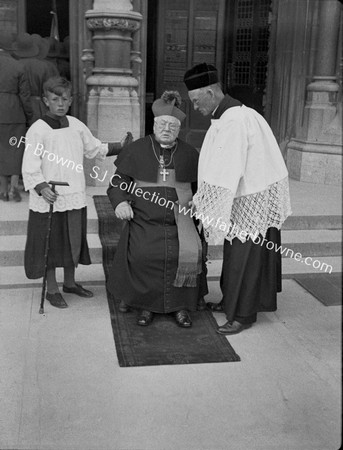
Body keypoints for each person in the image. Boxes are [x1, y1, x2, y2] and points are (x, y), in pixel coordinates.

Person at [184, 63, 292, 335]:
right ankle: (232, 301)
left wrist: (203, 201)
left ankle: (242, 315)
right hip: (246, 195)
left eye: (196, 101)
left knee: (244, 259)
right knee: (236, 257)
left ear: (210, 92)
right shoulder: (232, 115)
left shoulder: (234, 120)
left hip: (249, 200)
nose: (195, 108)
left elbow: (226, 170)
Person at [22, 76, 132, 309]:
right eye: (54, 99)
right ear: (45, 101)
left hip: (74, 193)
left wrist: (120, 146)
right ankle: (52, 289)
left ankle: (70, 283)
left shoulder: (76, 125)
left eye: (64, 99)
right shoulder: (38, 130)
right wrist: (41, 187)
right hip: (49, 195)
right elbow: (29, 165)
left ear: (71, 100)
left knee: (73, 241)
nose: (60, 104)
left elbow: (95, 149)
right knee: (50, 244)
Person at [107, 91, 208, 327]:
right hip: (144, 222)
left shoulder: (190, 154)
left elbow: (201, 189)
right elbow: (116, 184)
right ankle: (146, 307)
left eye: (172, 126)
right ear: (154, 124)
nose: (167, 129)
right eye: (162, 124)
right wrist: (120, 202)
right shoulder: (136, 150)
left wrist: (200, 201)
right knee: (144, 255)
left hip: (180, 222)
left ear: (179, 129)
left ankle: (181, 307)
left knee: (182, 254)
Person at [0, 31, 33, 202]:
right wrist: (29, 115)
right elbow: (25, 96)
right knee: (15, 150)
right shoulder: (18, 66)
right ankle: (14, 187)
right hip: (14, 112)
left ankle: (2, 190)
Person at [12, 33, 58, 124]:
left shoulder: (14, 65)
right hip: (40, 106)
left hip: (18, 107)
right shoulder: (45, 66)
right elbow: (53, 89)